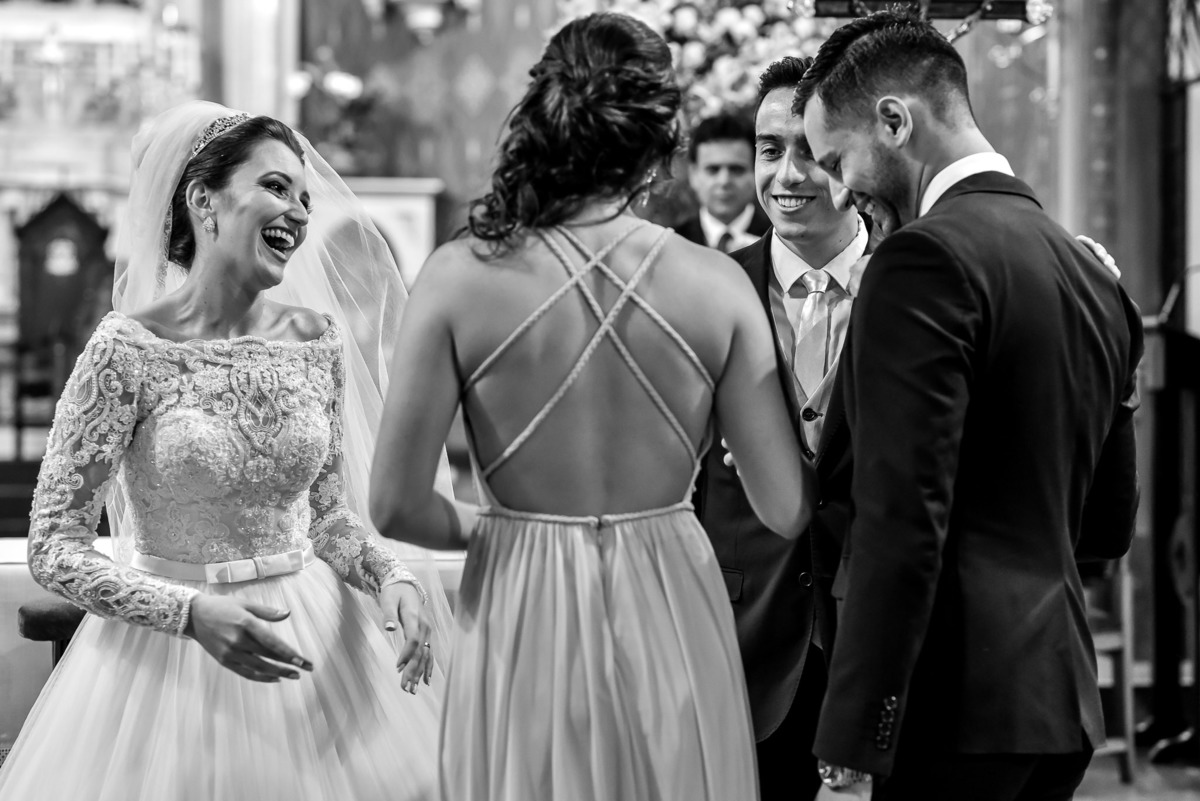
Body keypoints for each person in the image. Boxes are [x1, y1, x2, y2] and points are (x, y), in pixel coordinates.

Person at [368, 12, 814, 801]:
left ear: (541, 117)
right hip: (673, 595)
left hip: (520, 591)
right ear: (658, 138)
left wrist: (515, 530)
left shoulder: (456, 276)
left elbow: (397, 504)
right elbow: (784, 506)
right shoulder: (717, 285)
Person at [0, 101, 455, 801]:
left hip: (314, 642)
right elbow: (54, 546)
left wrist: (390, 574)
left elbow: (329, 517)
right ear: (202, 200)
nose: (300, 213)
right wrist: (188, 612)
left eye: (305, 197)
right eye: (276, 188)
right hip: (167, 659)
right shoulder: (126, 350)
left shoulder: (317, 340)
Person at [796, 11, 1143, 800]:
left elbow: (900, 519)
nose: (838, 188)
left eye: (835, 157)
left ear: (893, 120)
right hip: (1055, 703)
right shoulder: (1090, 270)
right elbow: (1107, 523)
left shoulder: (920, 260)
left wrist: (851, 746)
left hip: (946, 711)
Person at [692, 55, 865, 801]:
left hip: (878, 641)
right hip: (742, 636)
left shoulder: (921, 277)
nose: (787, 174)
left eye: (810, 150)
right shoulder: (706, 287)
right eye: (770, 149)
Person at [676, 111, 771, 252]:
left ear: (756, 172)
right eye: (713, 170)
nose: (724, 181)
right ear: (693, 174)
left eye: (736, 169)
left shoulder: (780, 241)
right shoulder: (673, 243)